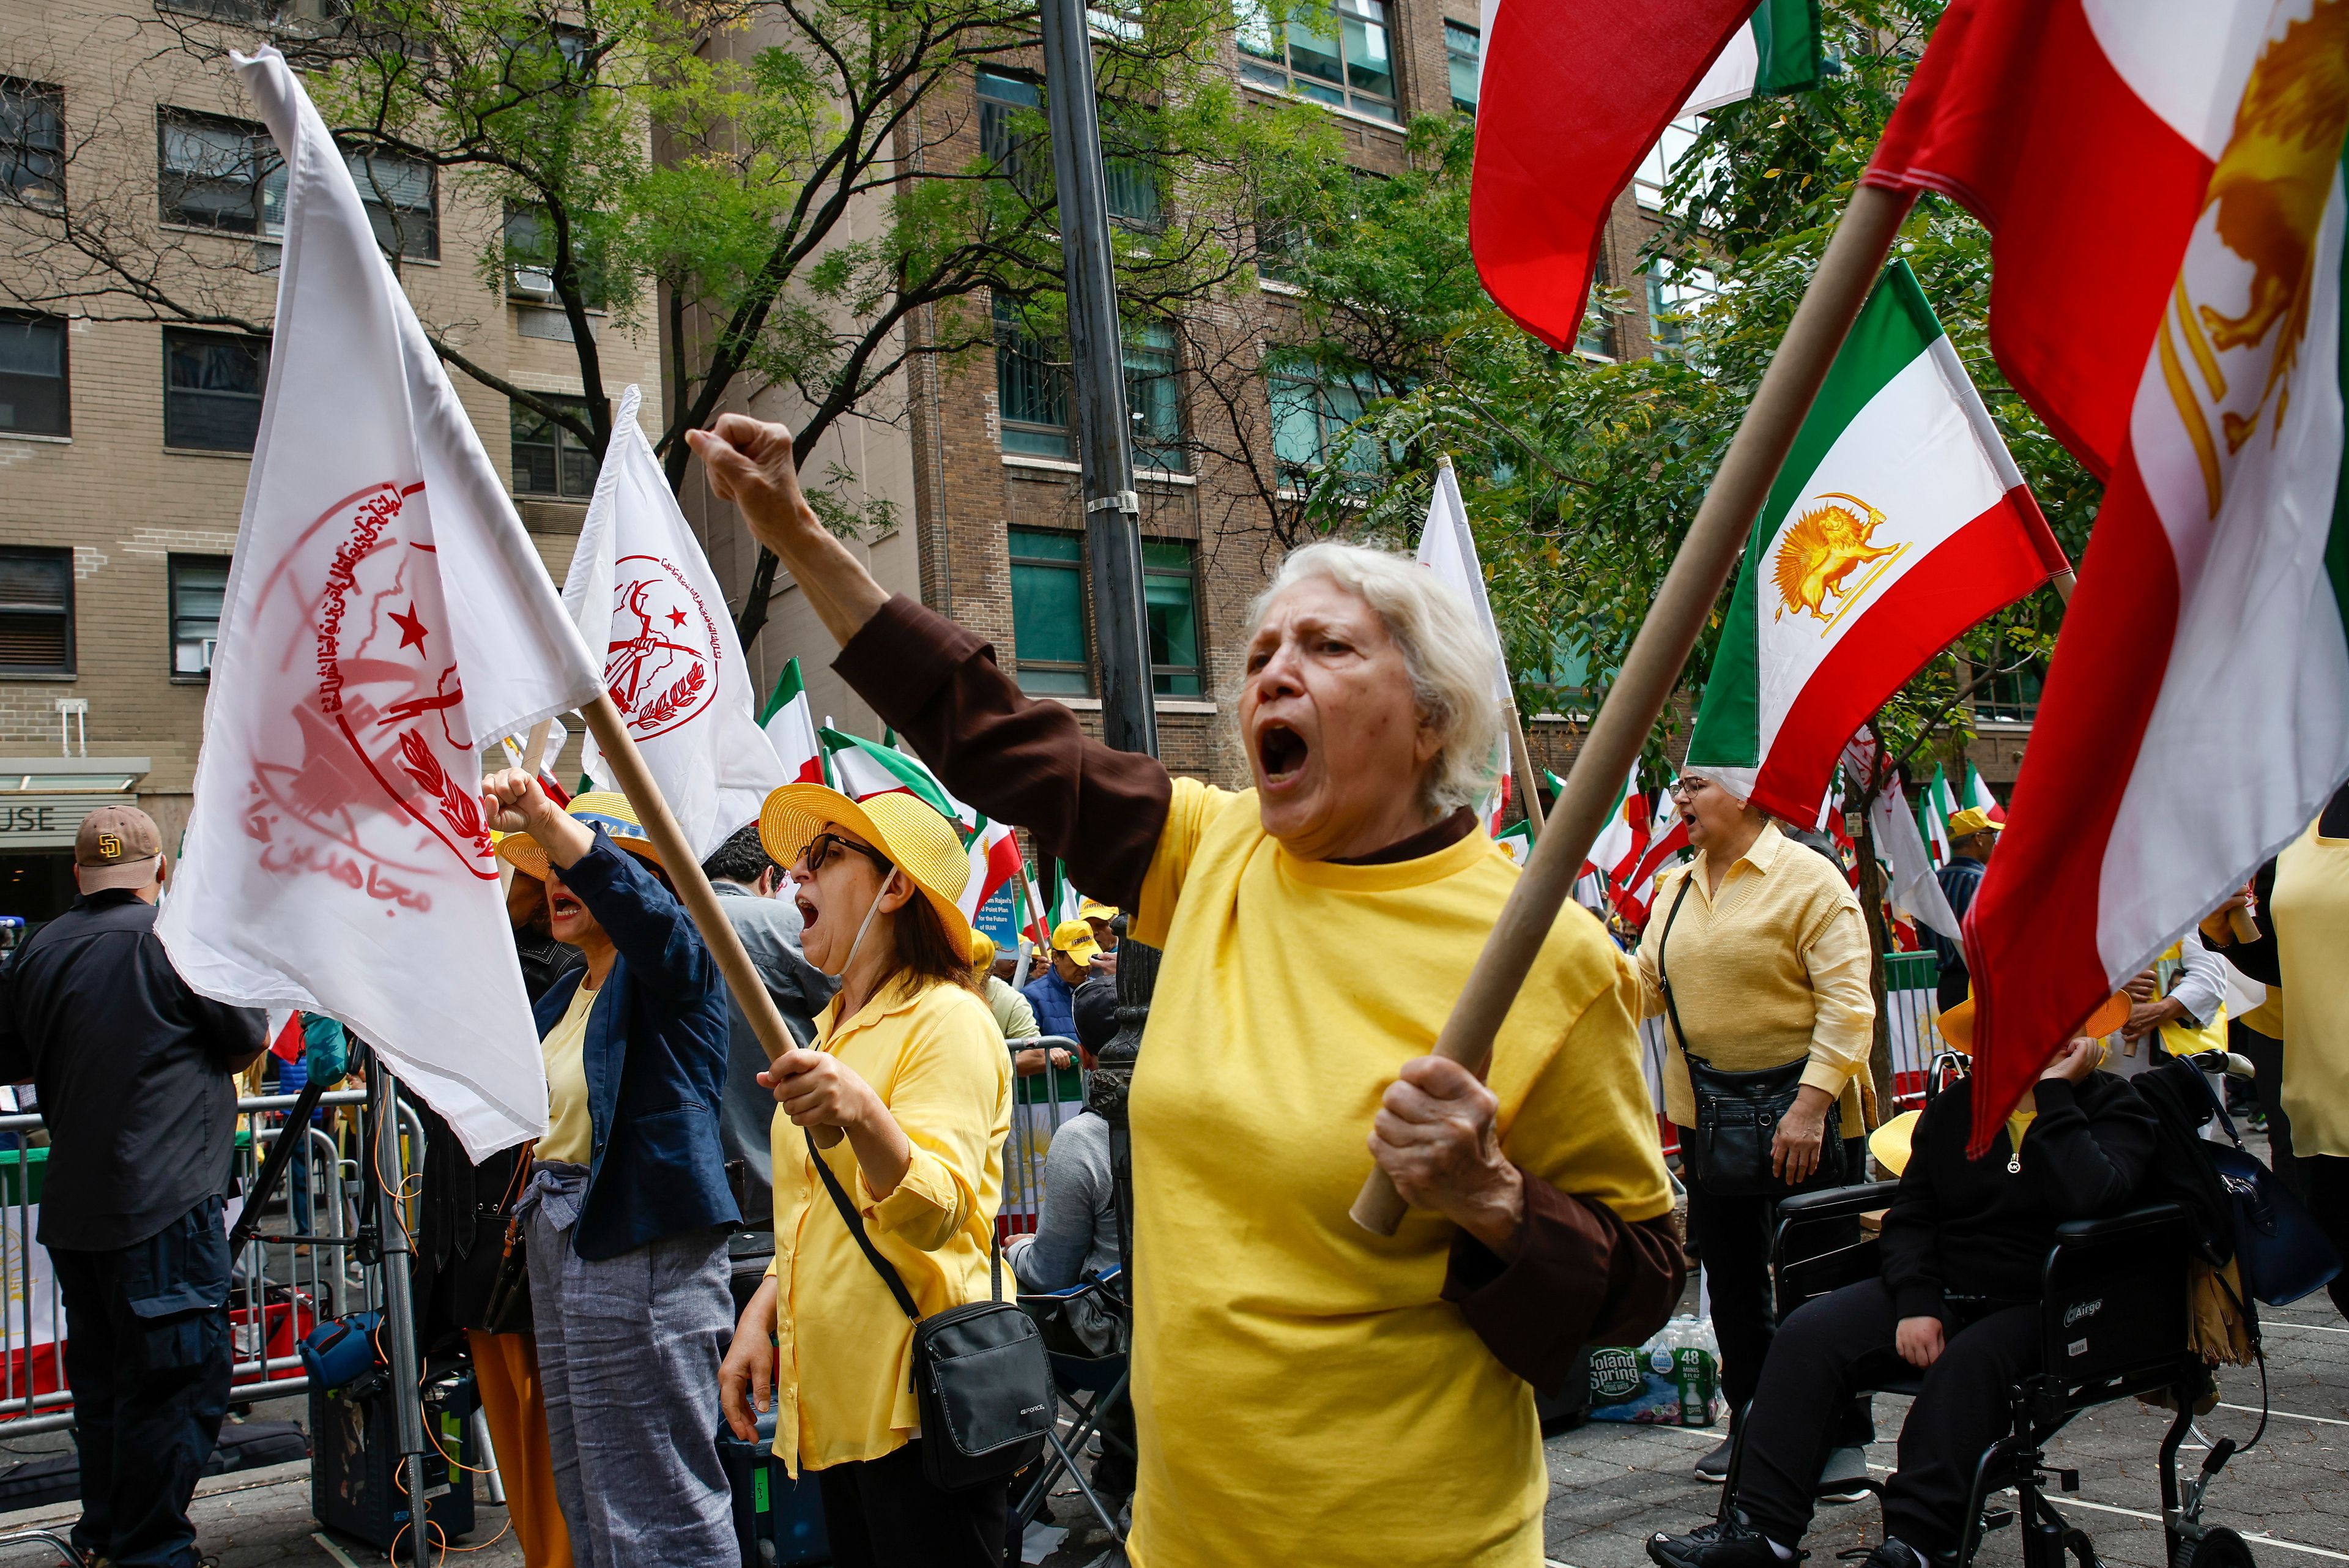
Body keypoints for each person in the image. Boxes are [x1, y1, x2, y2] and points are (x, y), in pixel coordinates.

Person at [689, 411, 1682, 1568]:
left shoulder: (1546, 956)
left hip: (1421, 1540)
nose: (1274, 671)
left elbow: (1642, 1284)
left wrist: (1495, 1195)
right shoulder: (1212, 849)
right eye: (1261, 651)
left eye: (1329, 647)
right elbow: (987, 729)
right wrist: (795, 528)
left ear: (1431, 719)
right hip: (1182, 1536)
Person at [1645, 1031, 2157, 1568]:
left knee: (1970, 1362)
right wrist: (1917, 1300)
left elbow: (2092, 1196)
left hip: (2054, 1299)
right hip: (1951, 1284)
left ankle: (1917, 1545)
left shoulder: (2115, 1106)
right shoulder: (1960, 1104)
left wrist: (2055, 1095)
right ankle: (1762, 1533)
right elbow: (1911, 1213)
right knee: (1811, 1330)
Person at [716, 786, 1013, 1567]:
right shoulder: (829, 1028)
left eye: (826, 856)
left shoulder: (949, 1019)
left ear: (897, 887)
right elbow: (819, 1205)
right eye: (797, 862)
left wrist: (862, 1111)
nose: (795, 878)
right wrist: (762, 1315)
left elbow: (937, 1210)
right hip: (835, 1404)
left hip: (920, 1410)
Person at [0, 805, 266, 1568]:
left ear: (81, 875)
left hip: (78, 1210)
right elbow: (244, 1035)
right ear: (157, 872)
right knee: (174, 1388)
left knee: (109, 1393)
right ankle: (151, 1552)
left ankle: (108, 1540)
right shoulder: (173, 937)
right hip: (164, 1204)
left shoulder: (43, 946)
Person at [483, 782, 740, 1567]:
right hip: (564, 1241)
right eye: (548, 868)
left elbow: (655, 925)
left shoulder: (677, 965)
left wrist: (556, 826)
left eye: (575, 865)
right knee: (589, 1484)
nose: (557, 881)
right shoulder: (565, 991)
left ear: (642, 878)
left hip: (643, 1246)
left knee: (657, 1496)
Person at [1633, 773, 1876, 1487]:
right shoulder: (1672, 889)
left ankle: (1838, 1439)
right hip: (1710, 1117)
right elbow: (1642, 986)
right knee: (1735, 1283)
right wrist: (1567, 951)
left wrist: (1809, 1107)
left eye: (1694, 784)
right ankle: (1757, 1424)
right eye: (1677, 786)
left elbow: (1848, 1007)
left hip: (1810, 1118)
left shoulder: (1812, 881)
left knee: (1821, 1284)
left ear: (1745, 793)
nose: (1678, 800)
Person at [413, 868, 579, 1568]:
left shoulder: (554, 972)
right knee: (528, 1456)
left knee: (549, 1458)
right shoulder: (486, 964)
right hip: (485, 1242)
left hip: (512, 1241)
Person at [2199, 781, 2349, 1320]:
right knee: (2345, 1275)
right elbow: (2286, 966)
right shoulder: (2300, 824)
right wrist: (2227, 930)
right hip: (2324, 1101)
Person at [1006, 973, 1134, 1529]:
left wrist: (1013, 1251)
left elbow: (1050, 1270)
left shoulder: (1081, 1141)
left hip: (1108, 1334)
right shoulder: (1188, 1116)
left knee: (999, 1325)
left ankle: (1019, 1485)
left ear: (1082, 1054)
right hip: (1166, 1321)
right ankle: (1116, 1469)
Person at [702, 821, 838, 1224]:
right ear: (767, 877)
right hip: (786, 1182)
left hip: (692, 1186)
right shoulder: (792, 928)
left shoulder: (664, 925)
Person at [1924, 808, 2000, 1010]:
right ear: (1978, 838)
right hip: (1982, 985)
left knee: (1960, 1042)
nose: (1995, 841)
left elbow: (1924, 938)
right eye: (1992, 835)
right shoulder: (1983, 881)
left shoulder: (1935, 881)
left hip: (1948, 986)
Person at [1022, 918, 1099, 1039]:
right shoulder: (1032, 997)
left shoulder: (1102, 991)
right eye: (1077, 962)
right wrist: (1050, 1052)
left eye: (1089, 959)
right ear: (1056, 957)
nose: (1085, 969)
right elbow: (1030, 1049)